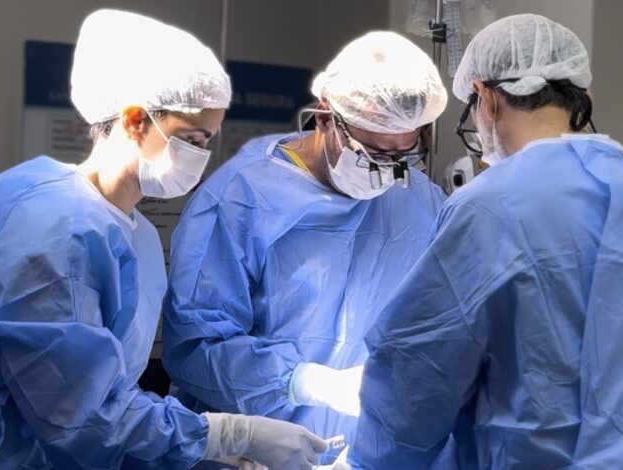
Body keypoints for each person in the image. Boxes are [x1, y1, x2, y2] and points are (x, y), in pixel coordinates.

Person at [348, 14, 623, 469]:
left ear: (485, 98)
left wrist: (370, 460)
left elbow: (416, 377)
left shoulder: (490, 207)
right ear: (583, 98)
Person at [0, 10, 324, 469]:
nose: (201, 157)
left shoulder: (137, 233)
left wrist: (201, 449)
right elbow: (78, 415)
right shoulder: (54, 230)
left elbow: (113, 396)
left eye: (207, 141)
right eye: (191, 138)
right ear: (135, 120)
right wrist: (227, 433)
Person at [161, 31, 447, 465]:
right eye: (371, 153)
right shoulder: (239, 199)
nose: (385, 172)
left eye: (401, 156)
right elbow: (194, 349)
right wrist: (307, 383)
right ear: (325, 118)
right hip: (255, 456)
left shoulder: (421, 200)